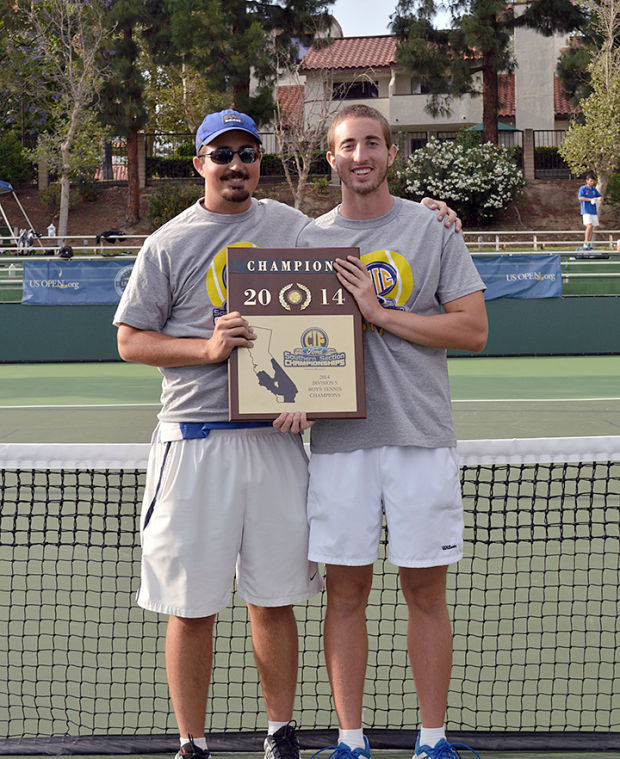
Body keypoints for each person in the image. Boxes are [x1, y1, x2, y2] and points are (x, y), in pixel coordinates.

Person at [114, 108, 458, 759]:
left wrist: (435, 214)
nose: (236, 165)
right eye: (222, 155)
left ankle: (281, 731)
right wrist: (206, 348)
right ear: (199, 164)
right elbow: (131, 339)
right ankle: (192, 742)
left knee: (274, 599)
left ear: (258, 163)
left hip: (275, 442)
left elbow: (361, 222)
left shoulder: (292, 227)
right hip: (193, 439)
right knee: (192, 605)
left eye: (247, 153)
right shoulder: (166, 242)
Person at [276, 104, 488, 759]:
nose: (360, 155)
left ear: (391, 153)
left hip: (420, 437)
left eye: (372, 143)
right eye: (347, 145)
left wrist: (379, 311)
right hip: (340, 446)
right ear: (331, 158)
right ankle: (350, 740)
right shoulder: (307, 242)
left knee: (425, 591)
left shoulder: (433, 228)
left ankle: (432, 740)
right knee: (345, 594)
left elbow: (471, 330)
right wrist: (296, 396)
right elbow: (293, 352)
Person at [578, 171, 602, 251]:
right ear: (587, 180)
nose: (592, 182)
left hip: (593, 211)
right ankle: (586, 242)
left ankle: (589, 243)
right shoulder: (583, 188)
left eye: (593, 181)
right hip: (586, 210)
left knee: (592, 227)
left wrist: (599, 198)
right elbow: (580, 198)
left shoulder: (594, 190)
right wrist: (590, 199)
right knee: (589, 226)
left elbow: (600, 196)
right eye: (590, 180)